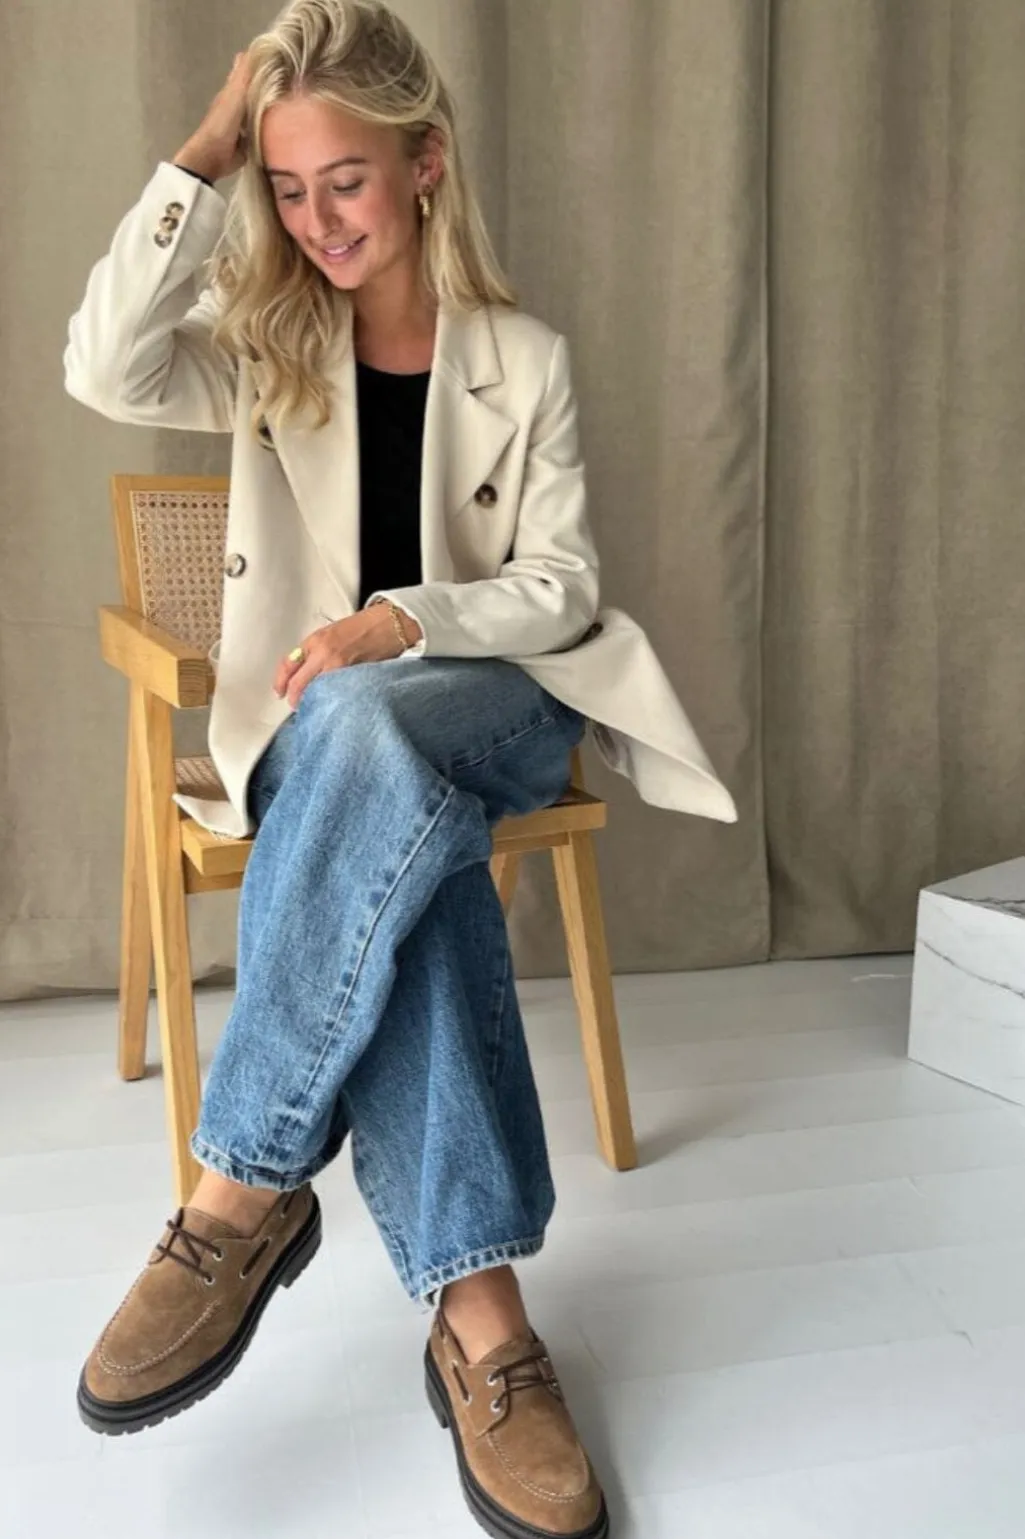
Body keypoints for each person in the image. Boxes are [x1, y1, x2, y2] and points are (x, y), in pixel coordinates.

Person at [63, 3, 736, 1535]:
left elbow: (562, 586)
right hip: (328, 747)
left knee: (380, 732)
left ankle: (240, 1188)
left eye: (347, 181)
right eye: (289, 189)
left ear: (426, 162)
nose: (317, 221)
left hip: (493, 706)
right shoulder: (265, 346)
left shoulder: (524, 359)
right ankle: (486, 1331)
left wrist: (403, 620)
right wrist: (206, 148)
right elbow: (103, 363)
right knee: (393, 819)